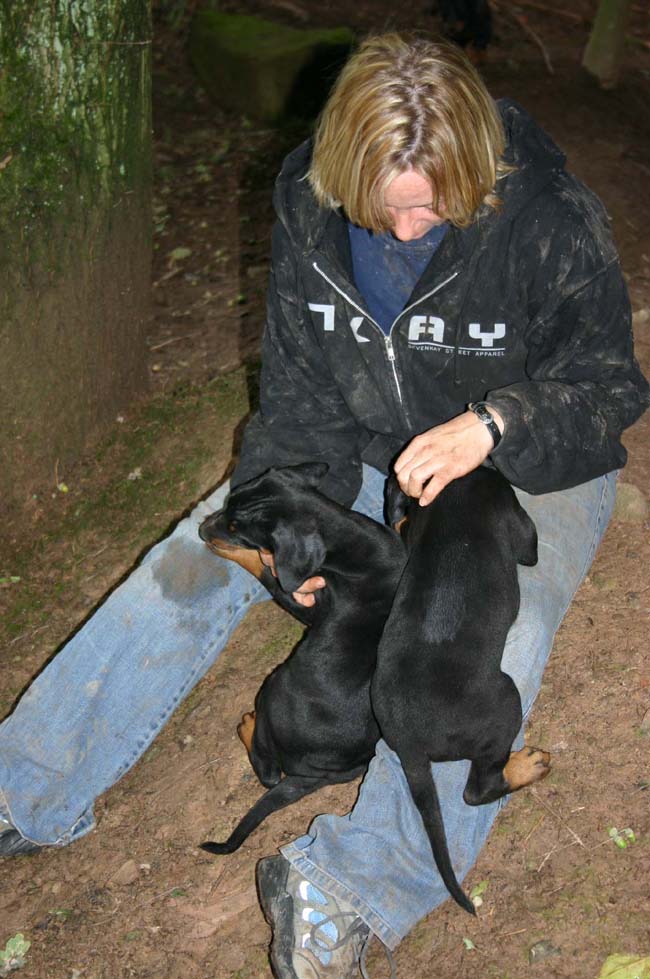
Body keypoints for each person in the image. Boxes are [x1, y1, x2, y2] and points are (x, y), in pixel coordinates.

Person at [1, 32, 647, 979]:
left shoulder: (548, 213)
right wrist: (283, 532)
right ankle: (24, 783)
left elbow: (609, 388)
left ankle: (351, 889)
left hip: (524, 465)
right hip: (370, 442)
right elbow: (300, 396)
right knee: (191, 562)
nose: (411, 229)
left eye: (435, 204)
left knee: (496, 629)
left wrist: (493, 423)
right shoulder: (308, 207)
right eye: (388, 208)